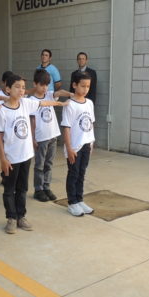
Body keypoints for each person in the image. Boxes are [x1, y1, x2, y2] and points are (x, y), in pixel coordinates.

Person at [0, 74, 66, 234]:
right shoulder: (2, 111)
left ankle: (21, 216)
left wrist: (58, 103)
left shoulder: (26, 103)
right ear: (8, 89)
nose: (21, 90)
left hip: (26, 155)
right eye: (17, 87)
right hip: (11, 158)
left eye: (23, 87)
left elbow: (43, 102)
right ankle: (11, 218)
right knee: (9, 189)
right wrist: (3, 159)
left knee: (22, 188)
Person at [29, 69, 72, 202]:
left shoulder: (48, 95)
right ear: (35, 84)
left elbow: (59, 92)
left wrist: (71, 94)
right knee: (39, 165)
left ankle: (46, 187)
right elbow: (31, 121)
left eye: (47, 85)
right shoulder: (31, 100)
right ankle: (38, 189)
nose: (45, 88)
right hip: (41, 137)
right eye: (42, 85)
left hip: (53, 135)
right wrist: (33, 139)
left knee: (49, 163)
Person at [62, 71, 95, 217]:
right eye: (83, 86)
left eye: (88, 86)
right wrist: (69, 148)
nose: (85, 89)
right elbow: (66, 128)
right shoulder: (70, 104)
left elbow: (91, 123)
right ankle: (72, 202)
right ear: (74, 85)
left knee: (82, 173)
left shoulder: (89, 103)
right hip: (75, 146)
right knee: (73, 173)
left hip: (86, 144)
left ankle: (80, 199)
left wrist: (92, 142)